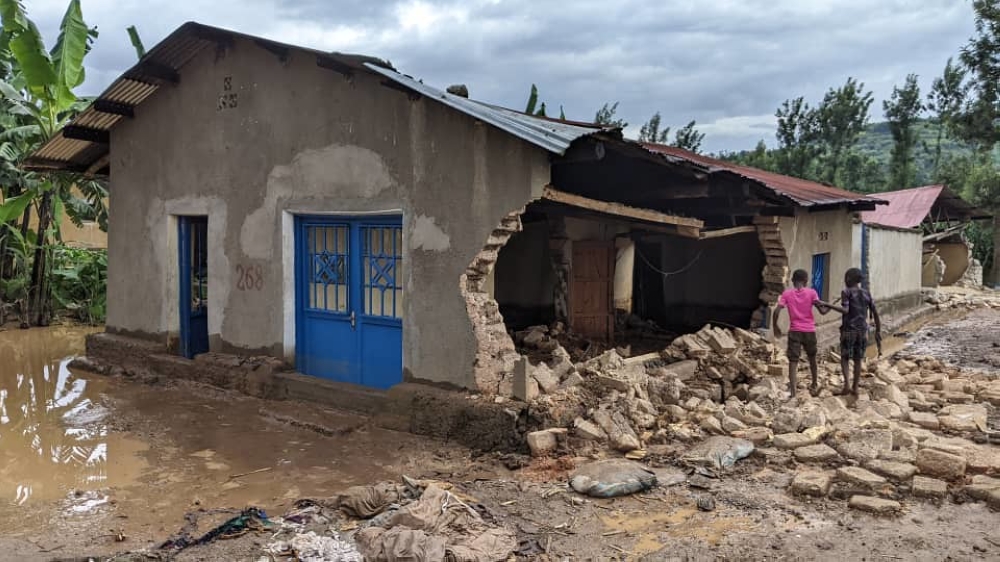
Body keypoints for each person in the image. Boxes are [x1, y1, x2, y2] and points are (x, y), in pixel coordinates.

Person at [772, 269, 842, 398]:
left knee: (793, 361)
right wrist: (832, 304)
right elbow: (823, 312)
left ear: (793, 281)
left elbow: (776, 311)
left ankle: (793, 393)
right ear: (806, 281)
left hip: (794, 331)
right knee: (812, 358)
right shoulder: (812, 293)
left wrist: (775, 326)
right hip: (809, 331)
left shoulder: (787, 294)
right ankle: (814, 383)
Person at [836, 267, 881, 396]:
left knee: (845, 358)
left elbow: (845, 310)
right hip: (862, 331)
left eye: (845, 278)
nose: (844, 280)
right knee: (857, 359)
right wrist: (878, 330)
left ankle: (846, 385)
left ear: (849, 279)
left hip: (848, 330)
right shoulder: (866, 293)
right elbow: (875, 313)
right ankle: (855, 387)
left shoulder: (846, 292)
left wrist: (828, 305)